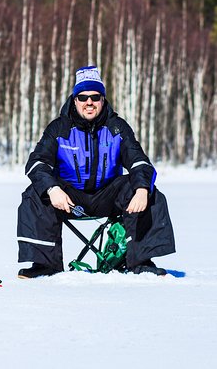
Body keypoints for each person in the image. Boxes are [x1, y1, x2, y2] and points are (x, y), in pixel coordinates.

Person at [16, 66, 176, 278]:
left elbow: (139, 162)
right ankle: (45, 265)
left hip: (108, 196)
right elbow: (36, 163)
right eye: (83, 97)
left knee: (146, 188)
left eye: (95, 96)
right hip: (69, 198)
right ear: (74, 100)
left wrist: (141, 189)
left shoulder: (117, 127)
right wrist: (52, 189)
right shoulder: (58, 128)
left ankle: (140, 261)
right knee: (35, 193)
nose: (89, 102)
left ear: (103, 100)